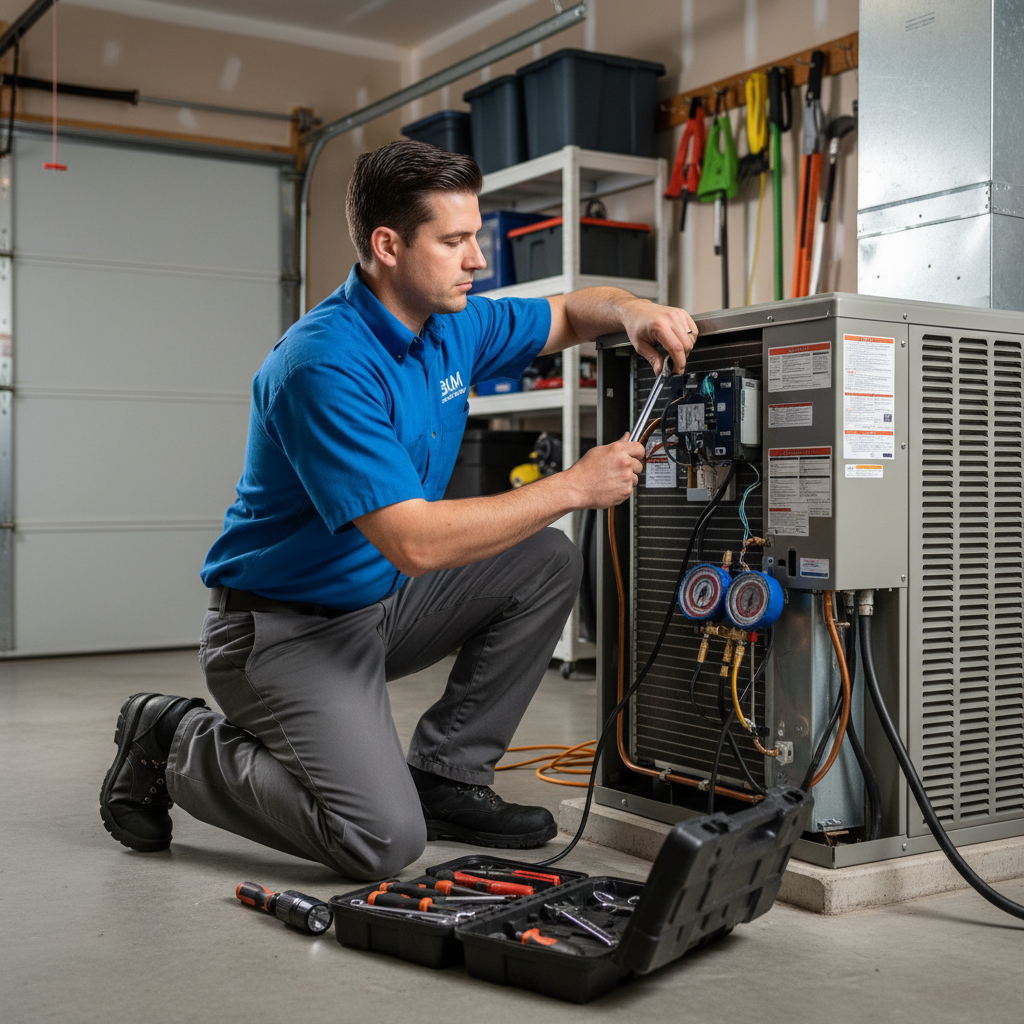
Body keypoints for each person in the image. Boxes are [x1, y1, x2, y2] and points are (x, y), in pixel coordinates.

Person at [99, 140, 697, 880]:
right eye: (454, 241)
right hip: (283, 634)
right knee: (379, 841)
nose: (478, 259)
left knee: (545, 560)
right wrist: (574, 485)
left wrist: (635, 311)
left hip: (379, 605)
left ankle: (446, 776)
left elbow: (572, 313)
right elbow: (414, 542)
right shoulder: (323, 365)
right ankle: (174, 739)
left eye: (474, 236)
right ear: (388, 246)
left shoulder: (449, 324)